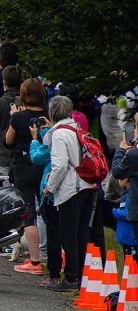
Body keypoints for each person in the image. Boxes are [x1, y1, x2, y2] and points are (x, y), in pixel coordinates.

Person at [42, 95, 98, 291]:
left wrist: (49, 187)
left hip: (70, 189)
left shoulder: (59, 134)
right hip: (87, 186)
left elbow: (59, 166)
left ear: (52, 113)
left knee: (68, 235)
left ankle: (71, 278)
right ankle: (82, 276)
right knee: (81, 233)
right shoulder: (77, 129)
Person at [4, 78, 49, 275]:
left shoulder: (19, 118)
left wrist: (14, 117)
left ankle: (35, 261)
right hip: (44, 168)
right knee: (49, 213)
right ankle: (58, 256)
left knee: (29, 214)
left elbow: (8, 141)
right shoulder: (47, 117)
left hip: (23, 167)